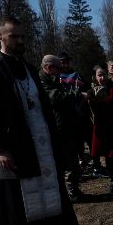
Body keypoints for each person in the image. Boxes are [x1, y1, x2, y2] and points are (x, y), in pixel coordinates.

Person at [0, 16, 79, 225]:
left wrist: (55, 141)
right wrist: (0, 149)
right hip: (14, 145)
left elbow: (43, 106)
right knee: (21, 197)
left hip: (41, 142)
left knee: (45, 189)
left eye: (22, 36)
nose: (20, 40)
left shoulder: (30, 69)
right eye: (14, 36)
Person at [38, 54, 84, 201]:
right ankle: (67, 193)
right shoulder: (41, 81)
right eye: (58, 68)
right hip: (55, 129)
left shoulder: (53, 79)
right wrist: (77, 94)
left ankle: (73, 190)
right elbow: (55, 97)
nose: (61, 70)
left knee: (72, 162)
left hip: (65, 126)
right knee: (64, 164)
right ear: (48, 67)